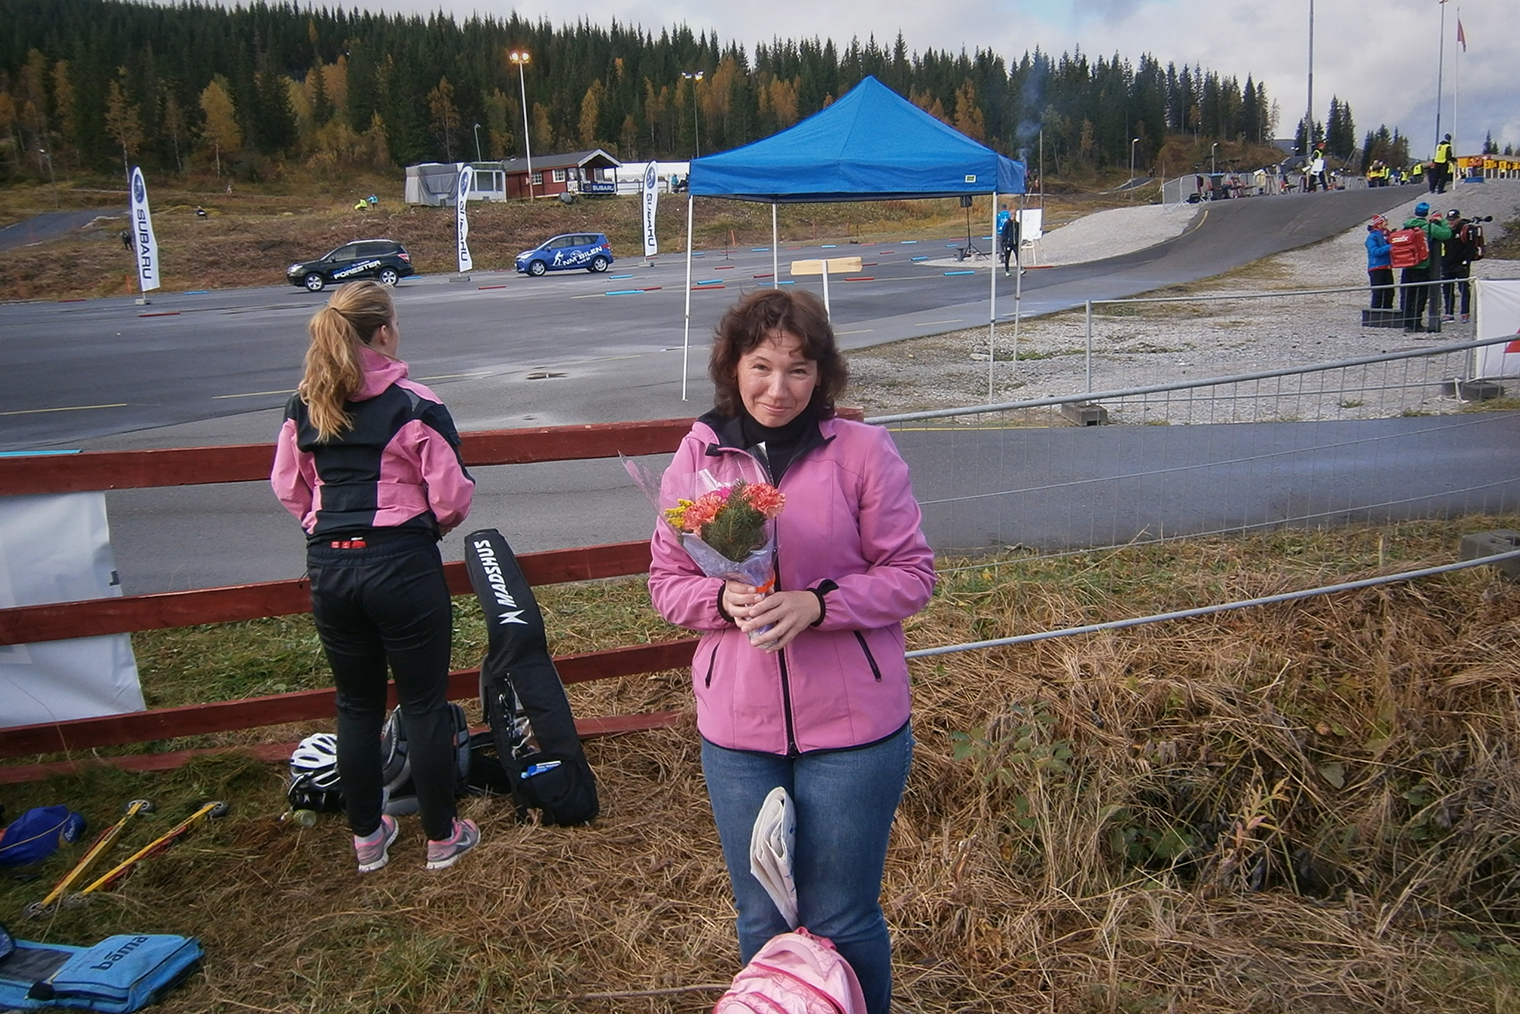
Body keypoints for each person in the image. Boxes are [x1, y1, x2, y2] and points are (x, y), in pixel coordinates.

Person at [648, 289, 936, 1014]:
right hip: (738, 733)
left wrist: (819, 605)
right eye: (762, 366)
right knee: (764, 918)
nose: (779, 389)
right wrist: (719, 600)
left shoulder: (863, 452)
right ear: (733, 367)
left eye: (800, 370)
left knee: (841, 918)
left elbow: (911, 575)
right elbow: (666, 583)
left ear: (824, 376)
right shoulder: (698, 455)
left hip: (853, 730)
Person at [271, 280, 480, 873]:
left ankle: (368, 835)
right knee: (423, 701)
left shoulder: (305, 404)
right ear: (384, 332)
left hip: (331, 562)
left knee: (355, 705)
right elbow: (453, 493)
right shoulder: (415, 403)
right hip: (401, 560)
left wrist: (324, 525)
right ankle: (442, 836)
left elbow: (289, 485)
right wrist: (423, 528)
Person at [1397, 201, 1453, 333]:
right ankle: (1416, 323)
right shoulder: (1428, 227)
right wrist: (1441, 221)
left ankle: (1406, 321)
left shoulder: (1406, 227)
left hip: (1407, 264)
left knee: (1407, 294)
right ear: (1426, 214)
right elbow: (1446, 234)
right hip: (1422, 265)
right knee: (1420, 295)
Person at [1440, 208, 1473, 323]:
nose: (1451, 222)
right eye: (1449, 220)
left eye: (1453, 219)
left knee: (1463, 288)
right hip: (1447, 263)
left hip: (1460, 263)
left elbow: (1470, 248)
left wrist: (1466, 261)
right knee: (1447, 289)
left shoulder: (1465, 230)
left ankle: (1465, 313)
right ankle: (1449, 313)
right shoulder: (1444, 231)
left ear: (1458, 219)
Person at [1365, 215, 1393, 311]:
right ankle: (1376, 314)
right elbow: (1375, 251)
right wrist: (1390, 247)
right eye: (1385, 222)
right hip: (1376, 267)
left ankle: (1387, 313)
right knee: (1378, 293)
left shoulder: (1386, 235)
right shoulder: (1372, 237)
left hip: (1386, 267)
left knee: (1389, 292)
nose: (1387, 224)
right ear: (1379, 224)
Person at [997, 203, 1023, 276]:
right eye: (1012, 215)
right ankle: (1007, 270)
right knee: (1007, 257)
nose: (1013, 217)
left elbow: (1018, 232)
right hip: (1009, 243)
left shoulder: (1017, 224)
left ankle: (1020, 269)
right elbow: (1004, 233)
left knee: (1018, 256)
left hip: (1015, 243)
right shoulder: (1007, 223)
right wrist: (1006, 240)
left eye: (1014, 215)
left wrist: (1018, 240)